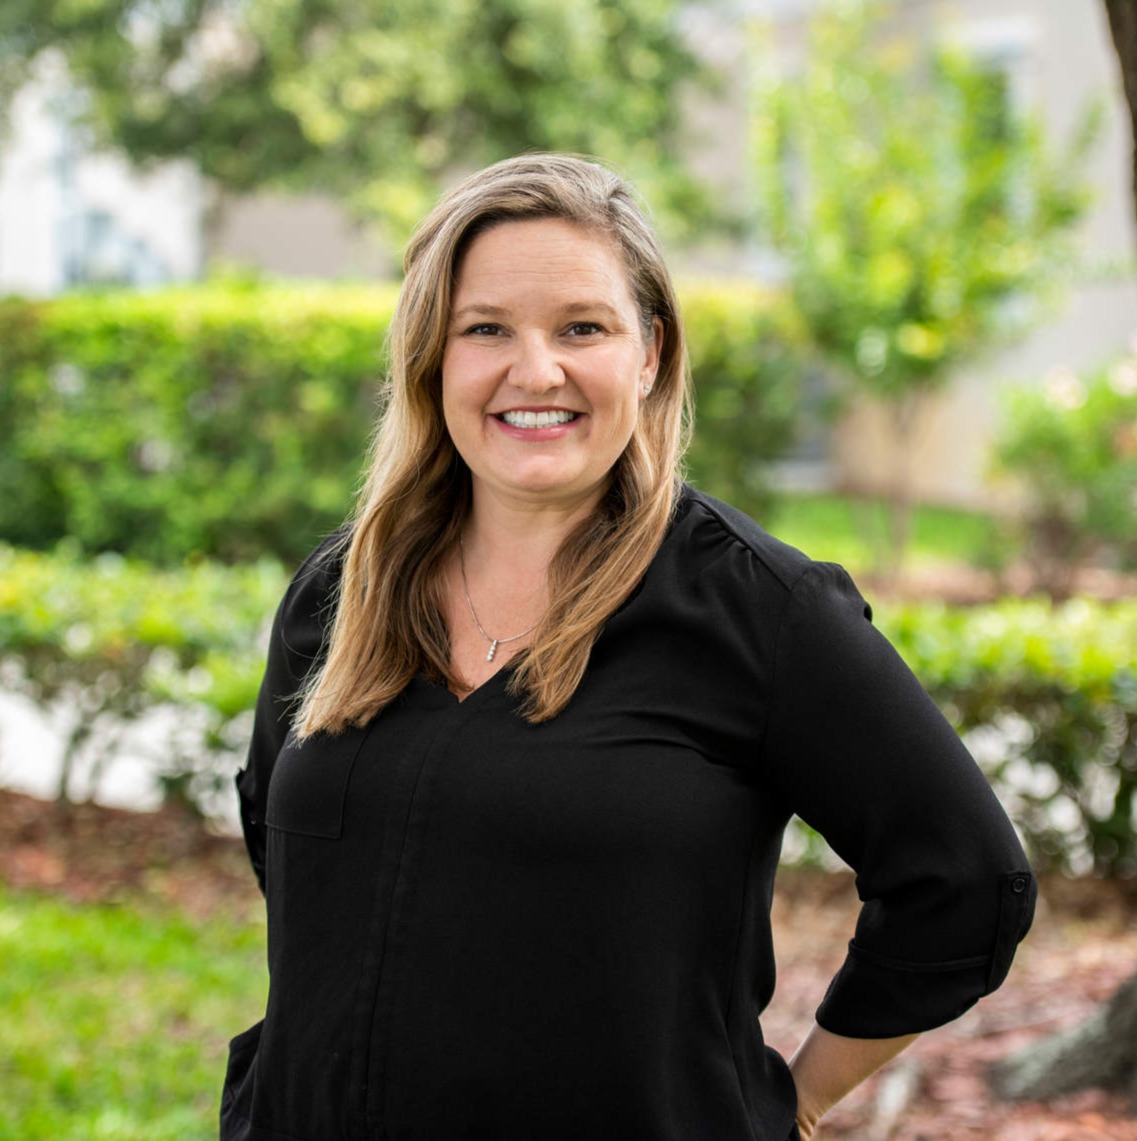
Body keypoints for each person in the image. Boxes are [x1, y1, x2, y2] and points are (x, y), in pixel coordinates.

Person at [221, 153, 1035, 1141]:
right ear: (432, 356)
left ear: (649, 353)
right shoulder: (337, 595)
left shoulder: (758, 611)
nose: (535, 370)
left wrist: (792, 1097)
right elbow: (291, 855)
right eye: (486, 328)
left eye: (582, 327)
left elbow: (963, 880)